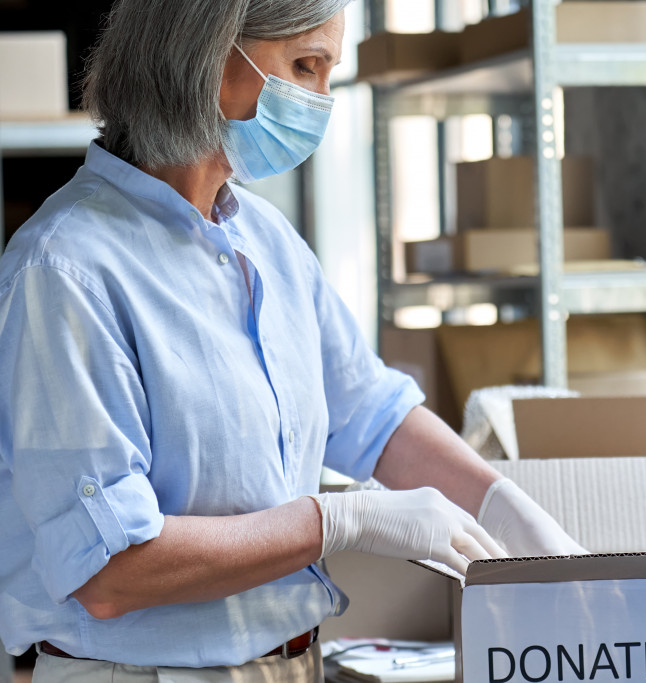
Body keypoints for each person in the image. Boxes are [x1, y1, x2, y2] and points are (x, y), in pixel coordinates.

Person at [0, 0, 584, 680]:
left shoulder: (265, 240)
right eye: (305, 66)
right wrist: (337, 523)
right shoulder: (65, 272)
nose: (321, 102)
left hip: (290, 663)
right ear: (206, 56)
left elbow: (374, 417)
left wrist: (509, 512)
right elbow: (108, 572)